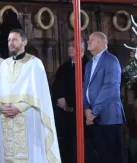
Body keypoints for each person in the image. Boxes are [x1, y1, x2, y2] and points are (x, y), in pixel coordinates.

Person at [0, 29, 60, 162]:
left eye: (14, 40)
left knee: (29, 154)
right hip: (6, 119)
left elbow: (40, 94)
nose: (11, 43)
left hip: (28, 117)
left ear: (24, 41)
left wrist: (19, 107)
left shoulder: (34, 64)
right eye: (9, 40)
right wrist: (1, 107)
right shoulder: (4, 65)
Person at [83, 32, 125, 163]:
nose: (88, 42)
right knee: (98, 156)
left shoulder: (111, 60)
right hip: (94, 118)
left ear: (100, 42)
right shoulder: (89, 64)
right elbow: (85, 88)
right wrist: (86, 109)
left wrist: (94, 111)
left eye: (92, 40)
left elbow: (110, 88)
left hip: (109, 117)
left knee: (112, 157)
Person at [53, 39, 85, 163]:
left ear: (82, 48)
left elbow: (84, 88)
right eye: (69, 46)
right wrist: (61, 102)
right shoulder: (64, 67)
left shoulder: (87, 65)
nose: (70, 48)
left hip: (80, 114)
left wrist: (69, 103)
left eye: (73, 46)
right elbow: (56, 87)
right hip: (64, 116)